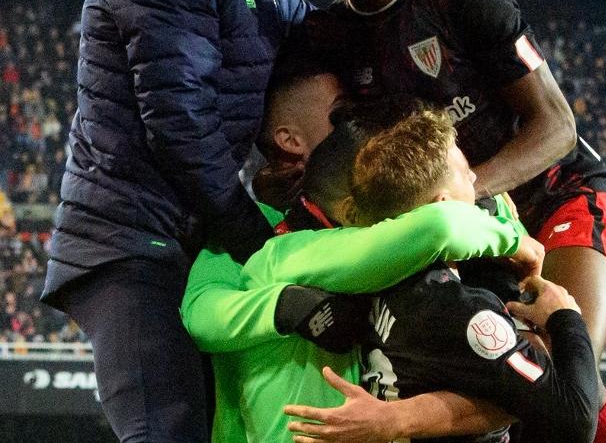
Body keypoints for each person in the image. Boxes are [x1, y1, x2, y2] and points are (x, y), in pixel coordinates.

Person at [297, 0, 606, 442]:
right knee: (509, 383)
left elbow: (557, 125)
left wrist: (464, 197)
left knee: (564, 378)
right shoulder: (328, 37)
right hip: (467, 231)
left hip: (559, 195)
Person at [41, 0, 307, 443]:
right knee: (169, 430)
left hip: (175, 238)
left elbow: (318, 52)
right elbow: (178, 116)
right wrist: (254, 236)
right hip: (129, 243)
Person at [182, 76, 541, 443]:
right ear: (291, 140)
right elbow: (200, 314)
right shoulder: (264, 235)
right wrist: (286, 306)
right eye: (340, 114)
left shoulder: (376, 242)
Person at [331, 107, 599, 443]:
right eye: (463, 170)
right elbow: (576, 421)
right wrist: (565, 317)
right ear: (443, 203)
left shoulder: (368, 275)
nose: (474, 177)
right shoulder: (458, 309)